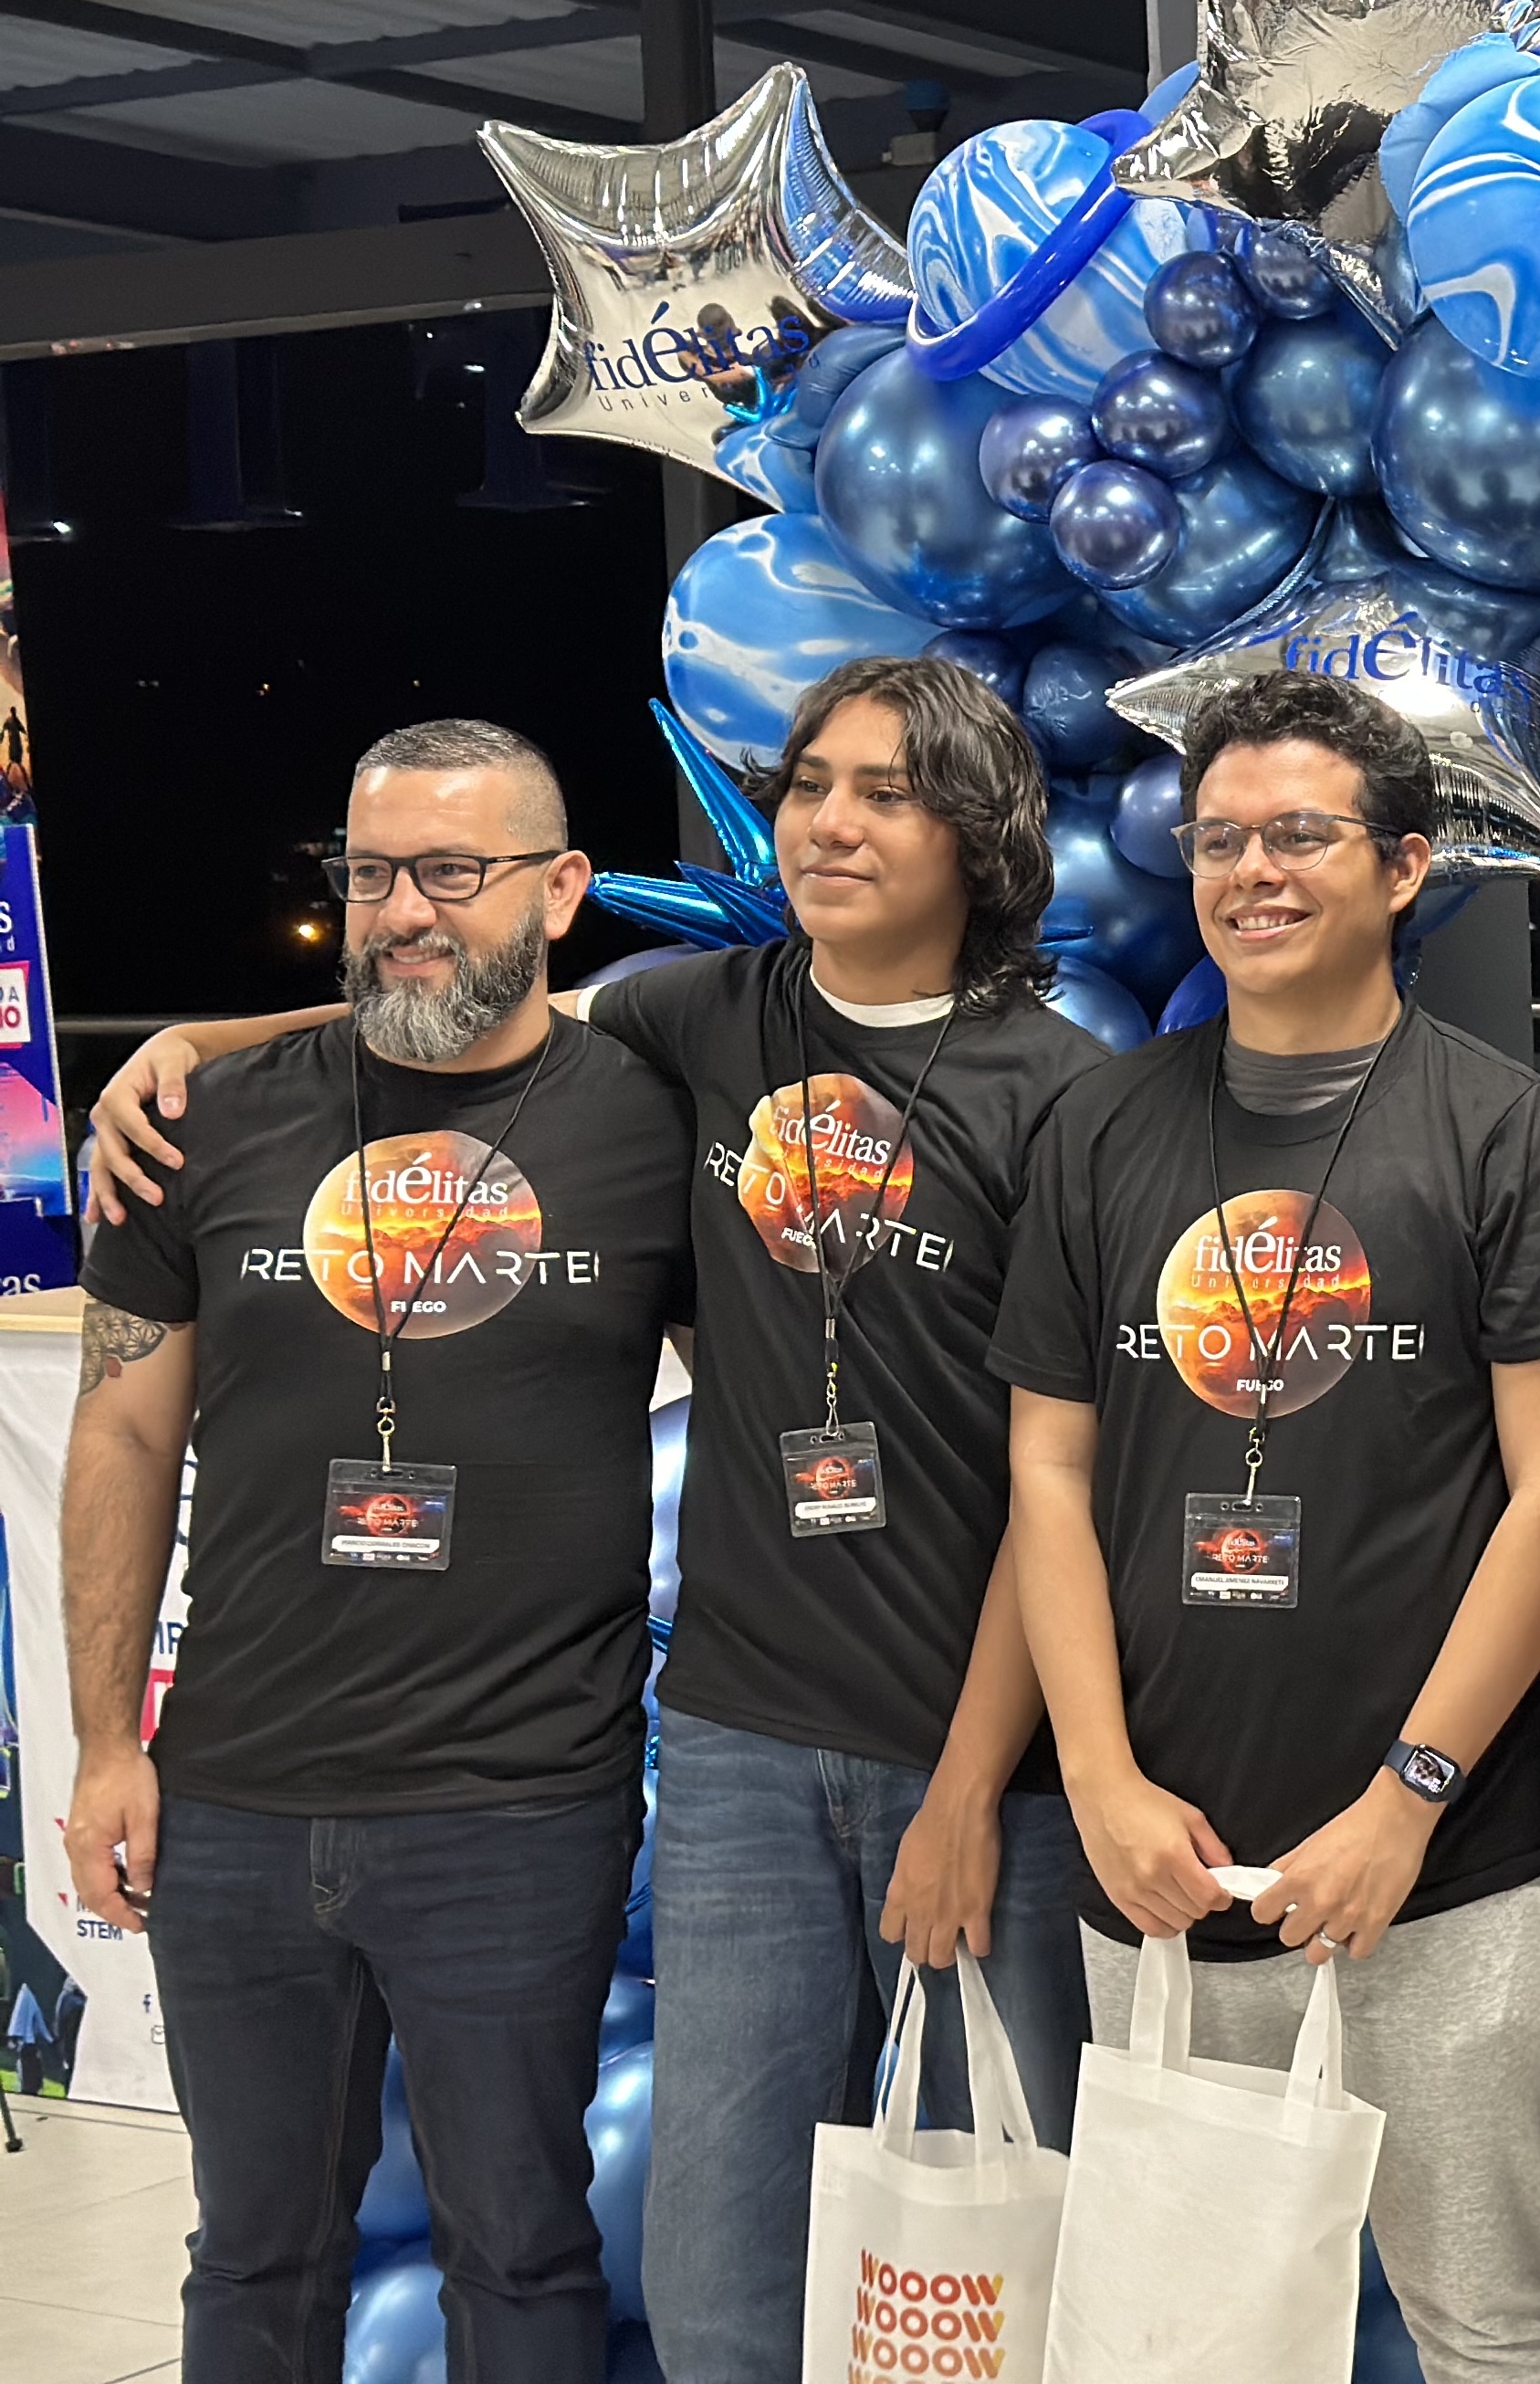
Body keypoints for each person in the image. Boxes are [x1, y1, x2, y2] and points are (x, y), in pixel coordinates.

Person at [86, 656, 1110, 2384]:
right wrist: (181, 1050)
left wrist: (970, 1786)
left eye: (886, 792)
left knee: (985, 2267)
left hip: (977, 1750)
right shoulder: (697, 1020)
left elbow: (1060, 1480)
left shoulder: (1063, 1096)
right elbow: (443, 1000)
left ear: (979, 834)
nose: (829, 824)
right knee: (710, 2288)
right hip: (732, 1743)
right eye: (810, 785)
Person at [993, 670, 1540, 2384]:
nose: (1251, 873)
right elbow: (1049, 1474)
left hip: (1444, 1867)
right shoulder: (1103, 1126)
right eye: (1219, 841)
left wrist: (1406, 1799)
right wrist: (1101, 1783)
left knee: (1486, 2328)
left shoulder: (1504, 1129)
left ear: (1405, 865)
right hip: (1165, 1859)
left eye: (1298, 834)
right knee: (1183, 2343)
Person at [62, 720, 693, 2384]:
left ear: (561, 890)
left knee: (523, 2250)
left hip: (521, 1808)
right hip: (234, 1804)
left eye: (455, 872)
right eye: (372, 872)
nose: (406, 909)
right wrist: (106, 1743)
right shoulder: (201, 1124)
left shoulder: (656, 1122)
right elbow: (120, 1435)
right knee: (252, 2255)